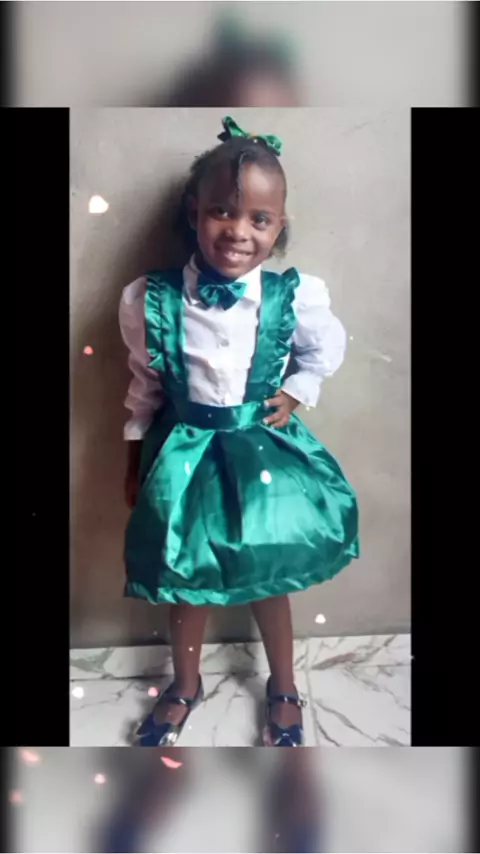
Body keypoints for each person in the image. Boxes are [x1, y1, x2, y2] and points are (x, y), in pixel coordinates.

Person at [119, 115, 359, 748]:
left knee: (270, 576)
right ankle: (184, 683)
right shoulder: (151, 299)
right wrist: (132, 460)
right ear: (194, 211)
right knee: (187, 578)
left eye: (259, 219)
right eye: (222, 211)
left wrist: (296, 391)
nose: (238, 231)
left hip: (263, 456)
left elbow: (325, 350)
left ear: (279, 228)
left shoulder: (292, 296)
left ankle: (283, 683)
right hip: (186, 458)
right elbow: (144, 386)